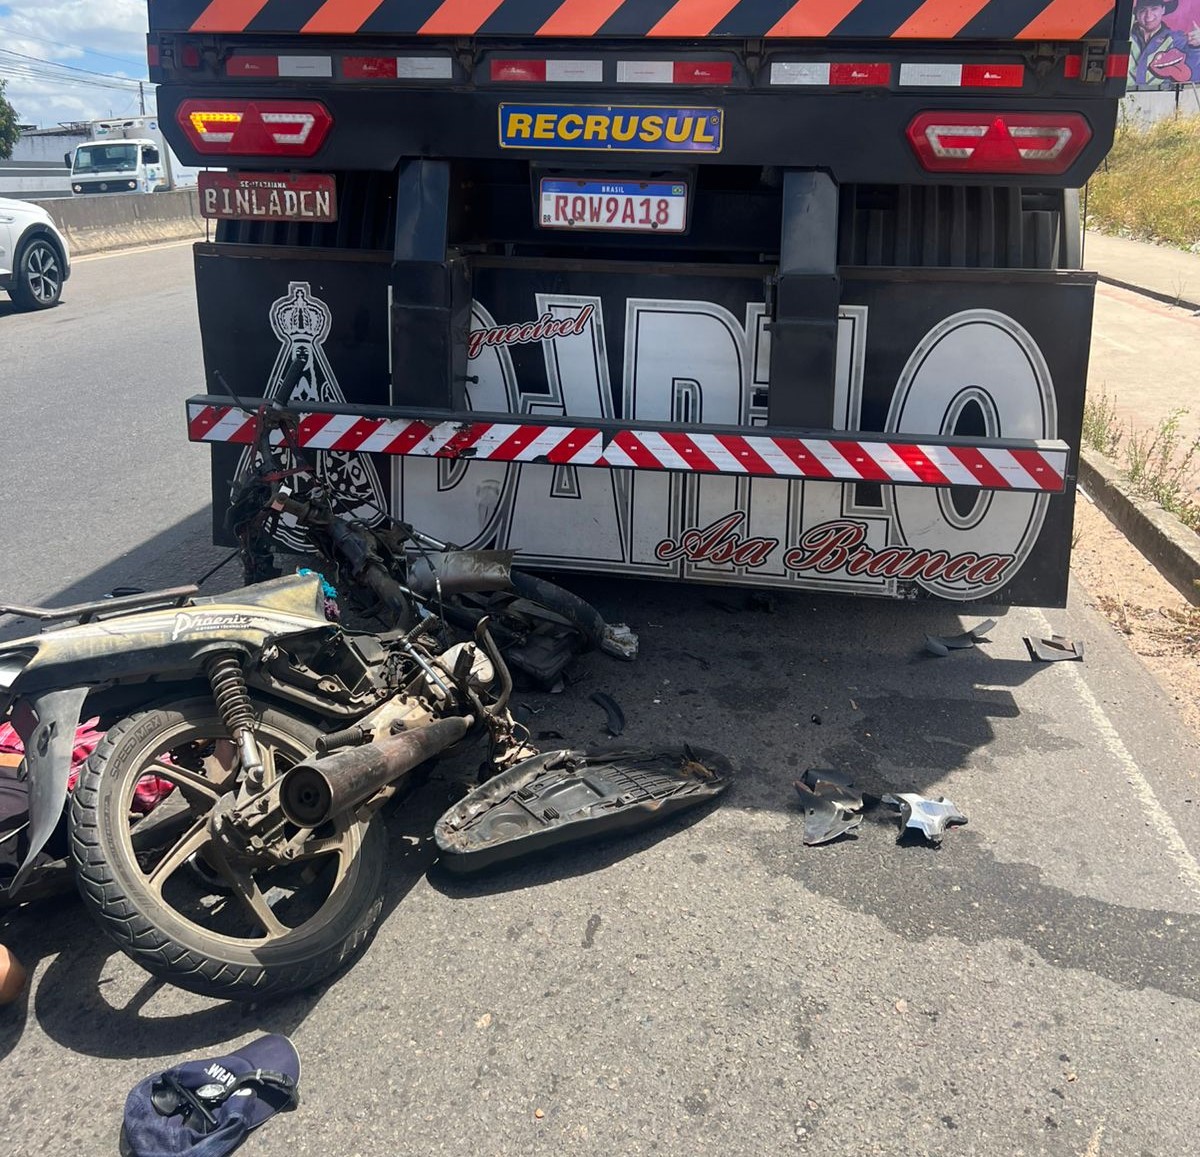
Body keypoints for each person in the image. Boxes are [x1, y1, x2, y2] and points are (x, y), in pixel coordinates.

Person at [1130, 0, 1200, 88]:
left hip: (1164, 95)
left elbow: (1193, 74)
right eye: (1143, 10)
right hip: (1122, 95)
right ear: (1136, 13)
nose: (1148, 16)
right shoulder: (1125, 36)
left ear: (1163, 9)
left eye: (1154, 9)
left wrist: (1196, 47)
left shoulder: (1177, 39)